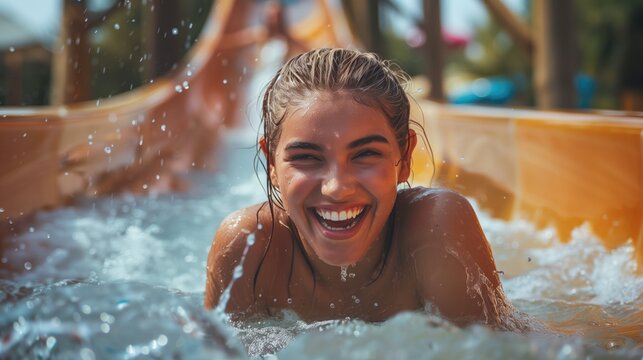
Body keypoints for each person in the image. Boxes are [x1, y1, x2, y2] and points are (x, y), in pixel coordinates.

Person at [205, 48, 516, 327]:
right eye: (306, 157)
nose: (337, 188)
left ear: (405, 157)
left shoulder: (437, 229)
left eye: (366, 154)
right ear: (271, 164)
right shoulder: (250, 251)